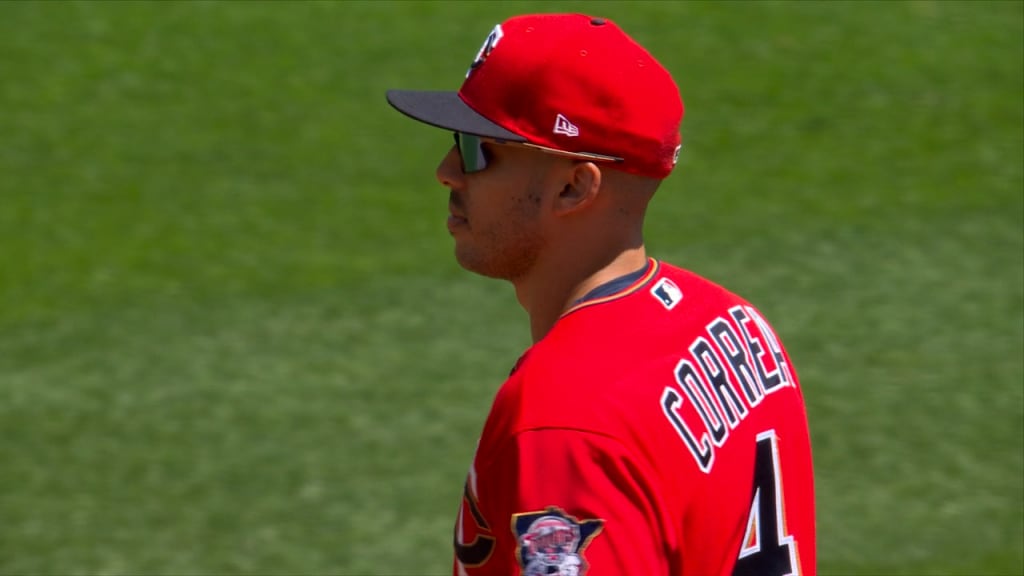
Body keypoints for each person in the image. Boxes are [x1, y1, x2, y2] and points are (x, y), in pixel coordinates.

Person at [386, 13, 815, 576]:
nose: (447, 172)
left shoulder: (562, 419)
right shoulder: (731, 320)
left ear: (573, 186)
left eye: (477, 149)